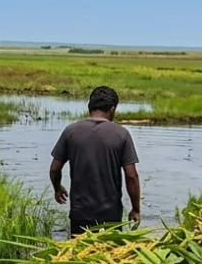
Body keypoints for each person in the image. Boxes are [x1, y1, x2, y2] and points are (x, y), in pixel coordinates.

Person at [50, 86, 141, 236]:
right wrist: (135, 209)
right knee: (110, 256)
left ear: (89, 107)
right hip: (110, 215)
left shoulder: (70, 131)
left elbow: (54, 168)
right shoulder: (121, 134)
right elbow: (131, 175)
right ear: (112, 109)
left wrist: (58, 188)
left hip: (80, 213)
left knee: (77, 256)